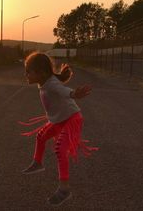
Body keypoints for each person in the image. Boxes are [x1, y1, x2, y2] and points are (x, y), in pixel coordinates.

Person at [19, 51, 98, 207]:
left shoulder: (51, 83)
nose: (26, 74)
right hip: (58, 120)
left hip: (71, 119)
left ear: (41, 73)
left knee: (60, 150)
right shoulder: (43, 82)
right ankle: (38, 163)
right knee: (41, 136)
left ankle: (64, 189)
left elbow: (64, 91)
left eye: (29, 71)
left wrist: (74, 93)